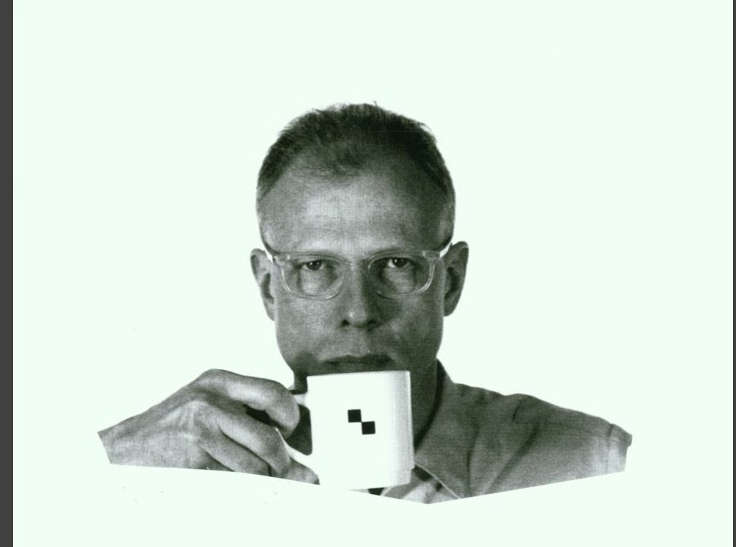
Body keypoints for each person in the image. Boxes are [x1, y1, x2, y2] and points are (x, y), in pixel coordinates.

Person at [98, 103, 632, 502]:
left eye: (396, 264)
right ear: (268, 287)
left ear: (450, 281)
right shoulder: (166, 473)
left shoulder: (595, 467)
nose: (358, 311)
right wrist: (100, 472)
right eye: (315, 266)